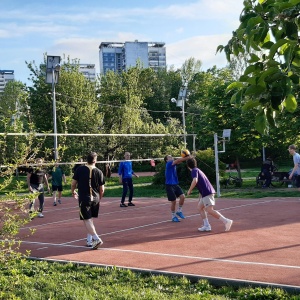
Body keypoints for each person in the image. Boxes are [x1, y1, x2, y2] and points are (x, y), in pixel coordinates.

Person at [186, 157, 233, 232]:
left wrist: (189, 190)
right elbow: (201, 184)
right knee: (200, 207)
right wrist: (200, 197)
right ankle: (206, 225)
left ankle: (226, 221)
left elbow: (195, 180)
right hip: (205, 193)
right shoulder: (198, 170)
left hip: (207, 192)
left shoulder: (194, 171)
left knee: (209, 210)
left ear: (188, 166)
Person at [71, 152, 105, 250]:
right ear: (95, 160)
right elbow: (102, 189)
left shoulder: (80, 169)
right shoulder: (99, 171)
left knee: (86, 219)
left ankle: (96, 238)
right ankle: (90, 241)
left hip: (85, 198)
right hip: (95, 198)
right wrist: (99, 198)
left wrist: (73, 191)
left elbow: (73, 183)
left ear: (87, 160)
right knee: (90, 219)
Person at [164, 153, 190, 222]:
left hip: (175, 184)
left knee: (183, 196)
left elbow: (179, 160)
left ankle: (179, 211)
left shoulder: (173, 164)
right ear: (166, 160)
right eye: (169, 157)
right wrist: (189, 157)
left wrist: (186, 156)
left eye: (171, 156)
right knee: (174, 201)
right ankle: (173, 216)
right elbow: (178, 160)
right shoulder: (169, 164)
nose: (171, 157)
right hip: (169, 185)